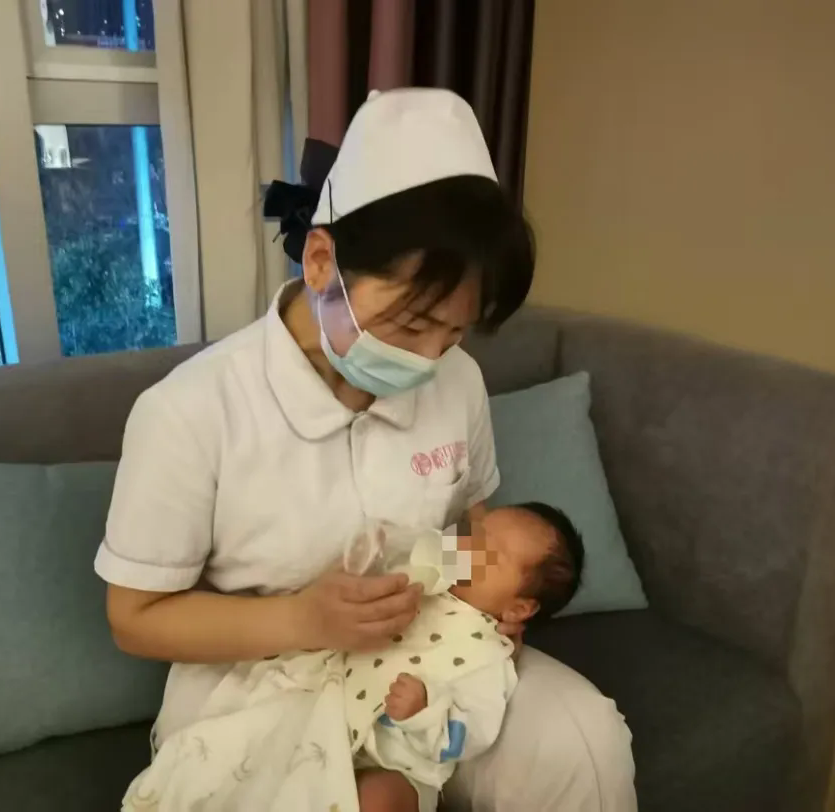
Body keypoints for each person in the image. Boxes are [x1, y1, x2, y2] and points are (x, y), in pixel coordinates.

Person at [96, 87, 636, 812]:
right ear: (321, 261)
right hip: (258, 687)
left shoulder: (459, 382)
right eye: (411, 325)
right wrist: (301, 620)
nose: (431, 357)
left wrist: (495, 602)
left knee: (587, 740)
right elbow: (134, 617)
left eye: (455, 331)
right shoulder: (189, 410)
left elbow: (469, 524)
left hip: (423, 673)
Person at [349, 502, 585, 812]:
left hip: (397, 760)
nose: (468, 546)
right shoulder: (423, 580)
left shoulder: (490, 655)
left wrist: (424, 710)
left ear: (518, 609)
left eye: (492, 554)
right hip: (333, 716)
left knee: (382, 799)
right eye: (475, 533)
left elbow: (472, 732)